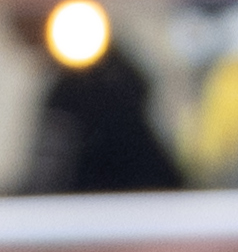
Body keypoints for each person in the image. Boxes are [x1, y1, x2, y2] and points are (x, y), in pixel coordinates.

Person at [18, 19, 185, 195]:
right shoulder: (61, 96)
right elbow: (47, 170)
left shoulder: (120, 79)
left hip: (151, 195)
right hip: (81, 204)